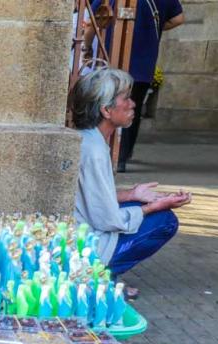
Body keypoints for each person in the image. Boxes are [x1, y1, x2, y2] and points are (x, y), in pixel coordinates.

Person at [71, 68, 191, 293]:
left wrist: (131, 195)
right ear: (106, 110)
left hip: (80, 228)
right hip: (84, 241)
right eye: (125, 99)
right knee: (165, 220)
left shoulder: (89, 140)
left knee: (138, 206)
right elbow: (106, 219)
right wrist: (154, 206)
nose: (133, 104)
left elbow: (90, 198)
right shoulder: (94, 149)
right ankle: (99, 276)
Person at [85, 0, 184, 172]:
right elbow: (178, 19)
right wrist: (155, 27)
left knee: (107, 106)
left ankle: (107, 151)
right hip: (144, 60)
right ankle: (123, 156)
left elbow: (93, 20)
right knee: (133, 107)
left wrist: (87, 46)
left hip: (113, 57)